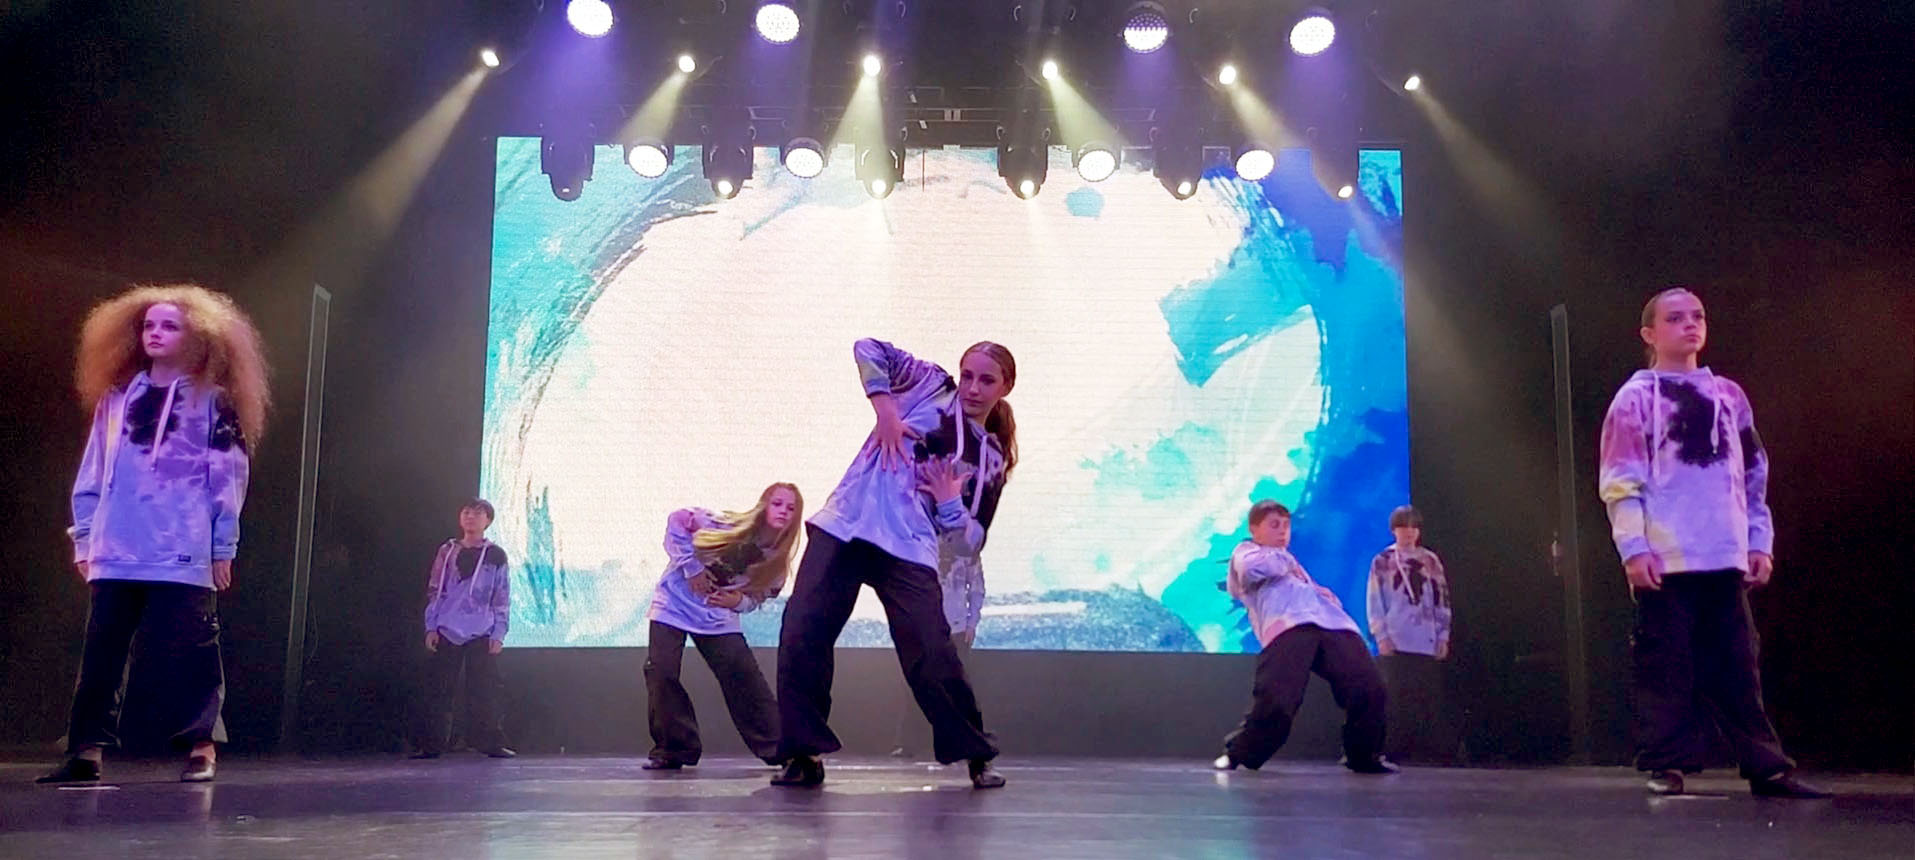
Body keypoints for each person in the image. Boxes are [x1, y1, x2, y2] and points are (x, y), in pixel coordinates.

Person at [1597, 287, 1827, 799]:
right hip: (1668, 556)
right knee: (1667, 665)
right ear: (1649, 334)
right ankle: (1666, 764)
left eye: (1697, 316)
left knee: (1738, 665)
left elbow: (1753, 474)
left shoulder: (1729, 396)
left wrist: (1758, 541)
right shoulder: (1636, 398)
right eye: (1675, 318)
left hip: (1724, 552)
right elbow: (1621, 480)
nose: (1690, 324)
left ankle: (1766, 767)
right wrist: (1634, 548)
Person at [38, 284, 267, 785]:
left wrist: (222, 546)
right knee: (101, 652)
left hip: (182, 548)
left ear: (198, 336)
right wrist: (85, 538)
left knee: (192, 651)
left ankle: (201, 747)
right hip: (116, 546)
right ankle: (86, 752)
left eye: (170, 326)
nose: (156, 333)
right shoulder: (116, 400)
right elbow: (93, 472)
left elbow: (228, 477)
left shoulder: (214, 402)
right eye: (149, 325)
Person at [773, 339, 1015, 789]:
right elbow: (868, 348)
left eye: (986, 380)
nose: (972, 388)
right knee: (803, 632)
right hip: (846, 524)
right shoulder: (928, 386)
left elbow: (971, 542)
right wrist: (885, 412)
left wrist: (948, 502)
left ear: (1006, 387)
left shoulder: (989, 456)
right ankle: (803, 754)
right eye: (967, 375)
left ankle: (976, 754)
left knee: (930, 649)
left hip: (908, 546)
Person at [1215, 500, 1394, 774]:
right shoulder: (1247, 551)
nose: (1282, 531)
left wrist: (1320, 592)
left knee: (1369, 687)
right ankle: (1239, 753)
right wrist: (1287, 562)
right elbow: (1252, 571)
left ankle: (1364, 755)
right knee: (1278, 699)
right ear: (1254, 529)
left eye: (1286, 526)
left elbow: (1301, 586)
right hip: (1288, 627)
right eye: (1274, 525)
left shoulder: (1290, 563)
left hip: (1332, 624)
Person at [642, 483, 802, 770]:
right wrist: (692, 568)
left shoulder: (775, 566)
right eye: (777, 503)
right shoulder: (723, 525)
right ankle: (674, 749)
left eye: (791, 508)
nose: (783, 512)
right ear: (763, 505)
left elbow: (756, 599)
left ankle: (781, 749)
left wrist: (737, 601)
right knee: (661, 672)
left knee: (744, 679)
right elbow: (677, 519)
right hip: (673, 605)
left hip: (717, 618)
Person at [888, 475, 988, 760]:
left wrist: (972, 622)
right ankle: (909, 743)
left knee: (956, 685)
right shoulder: (920, 540)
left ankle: (966, 744)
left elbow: (976, 588)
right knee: (917, 684)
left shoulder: (967, 547)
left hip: (956, 626)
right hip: (925, 622)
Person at [412, 499, 515, 759]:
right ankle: (432, 743)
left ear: (487, 520)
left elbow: (501, 596)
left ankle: (489, 742)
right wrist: (431, 626)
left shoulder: (496, 555)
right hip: (448, 627)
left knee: (485, 689)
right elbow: (435, 589)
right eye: (466, 512)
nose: (471, 517)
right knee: (440, 688)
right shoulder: (447, 551)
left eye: (478, 513)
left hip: (482, 629)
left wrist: (499, 632)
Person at [1366, 505, 1454, 763]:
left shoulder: (1430, 560)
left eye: (1414, 527)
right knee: (1395, 697)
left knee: (1426, 697)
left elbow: (1442, 598)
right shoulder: (1382, 560)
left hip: (1426, 638)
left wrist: (1443, 634)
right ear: (1394, 530)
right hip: (1395, 637)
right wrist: (1381, 635)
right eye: (1404, 526)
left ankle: (1429, 752)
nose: (1409, 532)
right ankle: (1392, 750)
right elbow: (1374, 599)